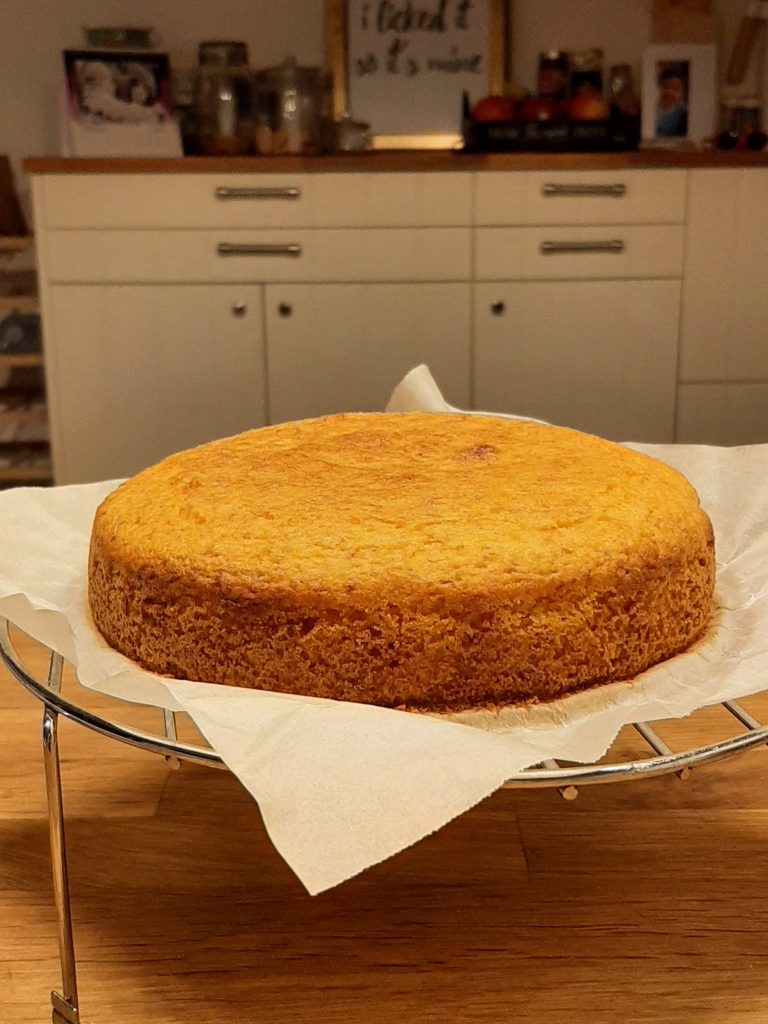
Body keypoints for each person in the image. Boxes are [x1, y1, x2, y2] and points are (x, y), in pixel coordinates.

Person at [656, 64, 688, 138]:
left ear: (682, 92)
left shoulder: (684, 111)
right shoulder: (652, 112)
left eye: (676, 89)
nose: (670, 92)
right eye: (666, 87)